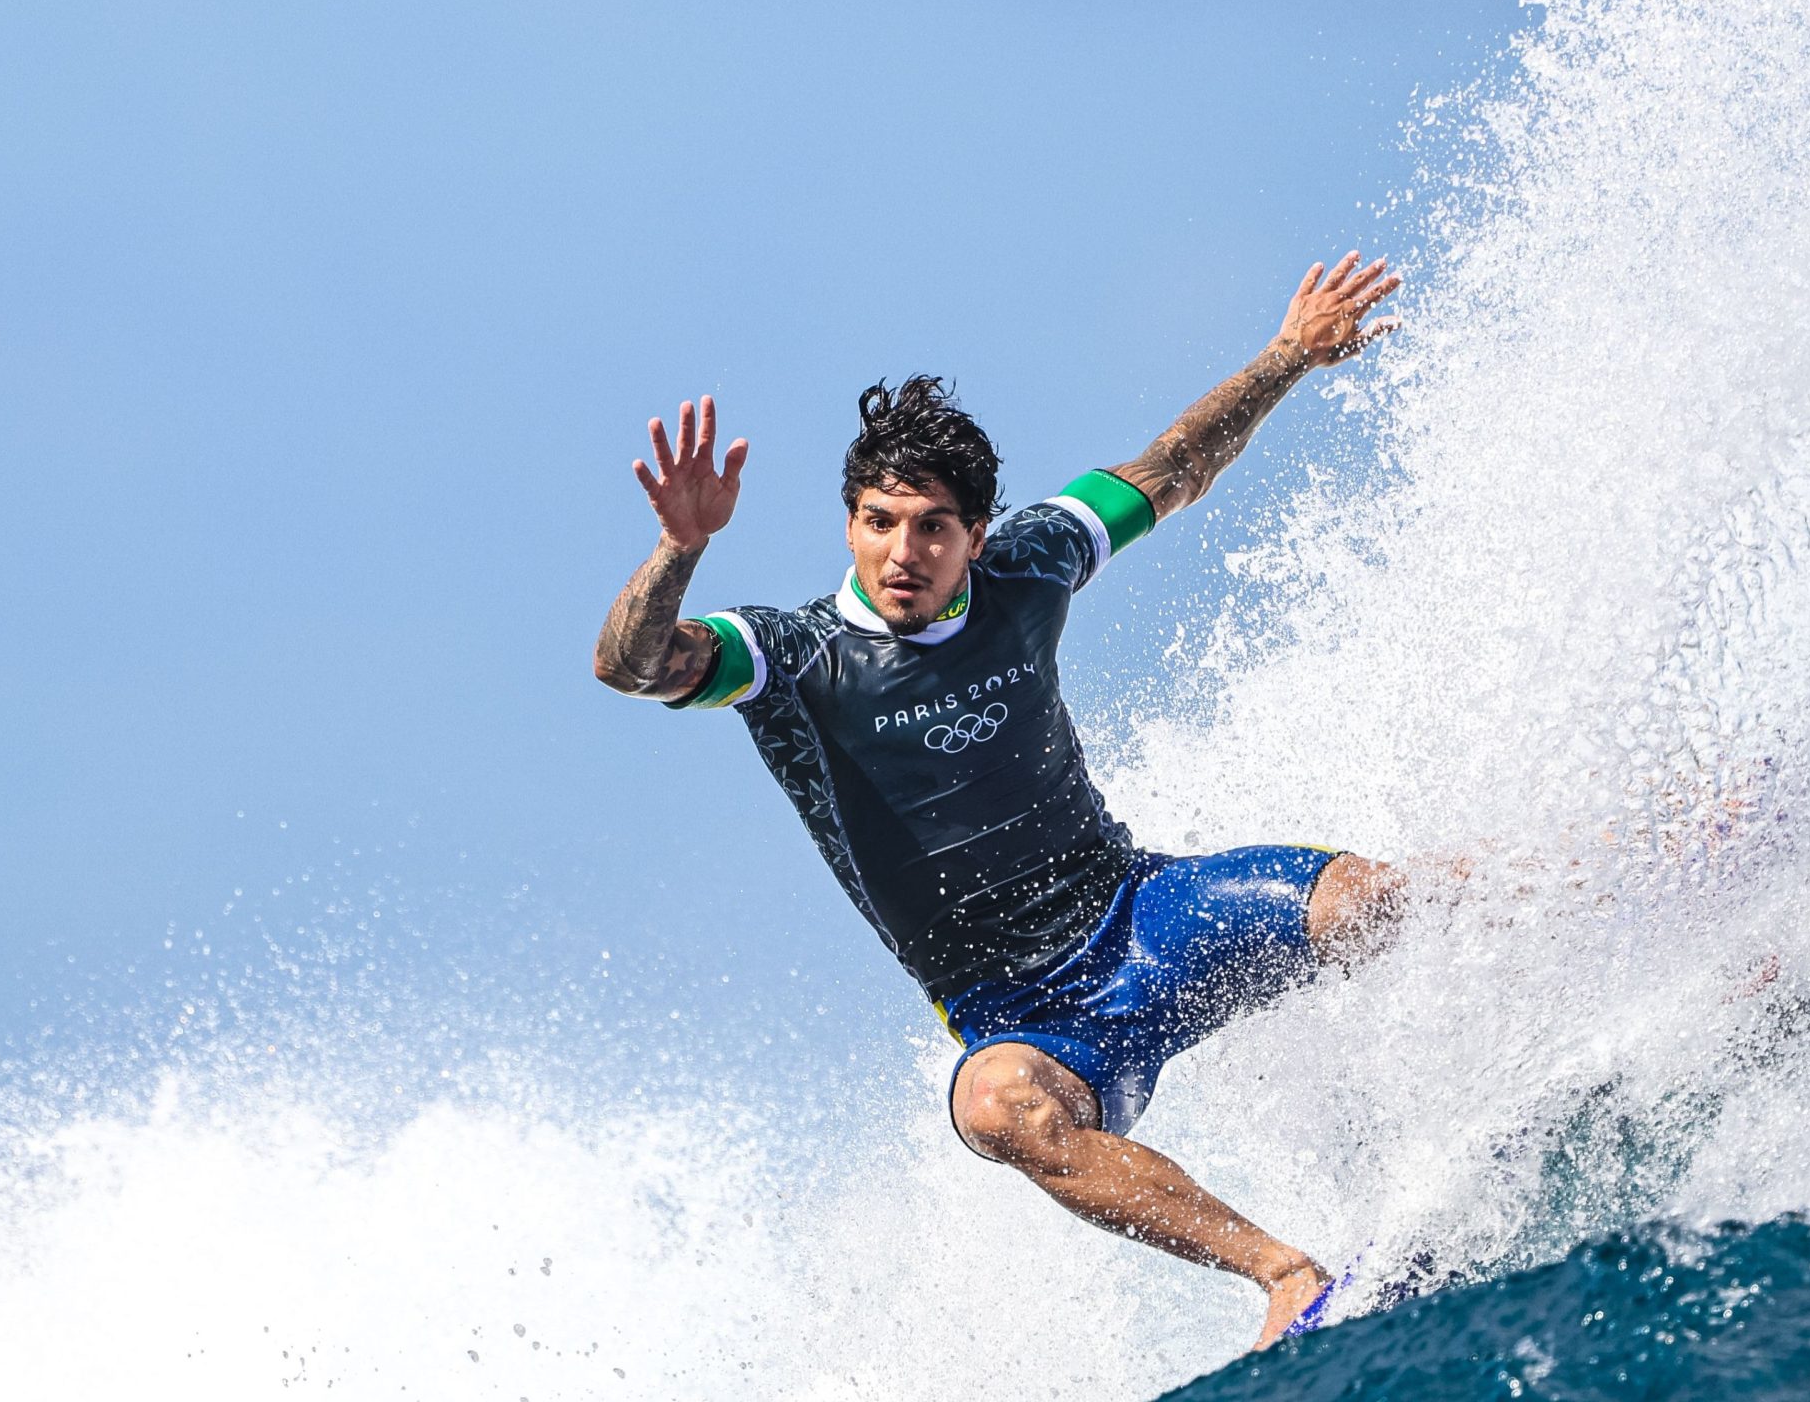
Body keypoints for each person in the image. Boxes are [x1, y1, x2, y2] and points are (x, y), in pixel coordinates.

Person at [592, 253, 1406, 1348]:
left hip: (1142, 915)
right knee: (994, 1107)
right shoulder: (788, 658)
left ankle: (1634, 888)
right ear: (849, 523)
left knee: (1365, 899)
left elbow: (1172, 467)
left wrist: (1289, 354)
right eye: (880, 521)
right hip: (1024, 1020)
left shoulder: (1032, 564)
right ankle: (1286, 1275)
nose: (903, 552)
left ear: (977, 535)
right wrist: (679, 549)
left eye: (932, 527)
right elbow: (632, 665)